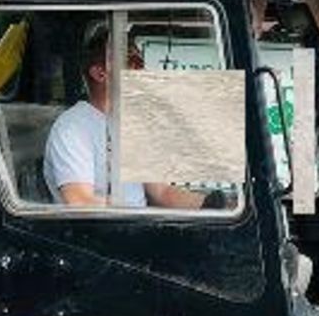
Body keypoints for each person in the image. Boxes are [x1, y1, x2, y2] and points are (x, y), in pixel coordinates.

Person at [44, 25, 220, 210]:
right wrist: (135, 213)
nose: (141, 72)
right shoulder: (73, 128)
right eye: (133, 63)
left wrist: (211, 205)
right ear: (100, 73)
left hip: (141, 227)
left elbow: (162, 192)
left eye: (141, 63)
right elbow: (80, 202)